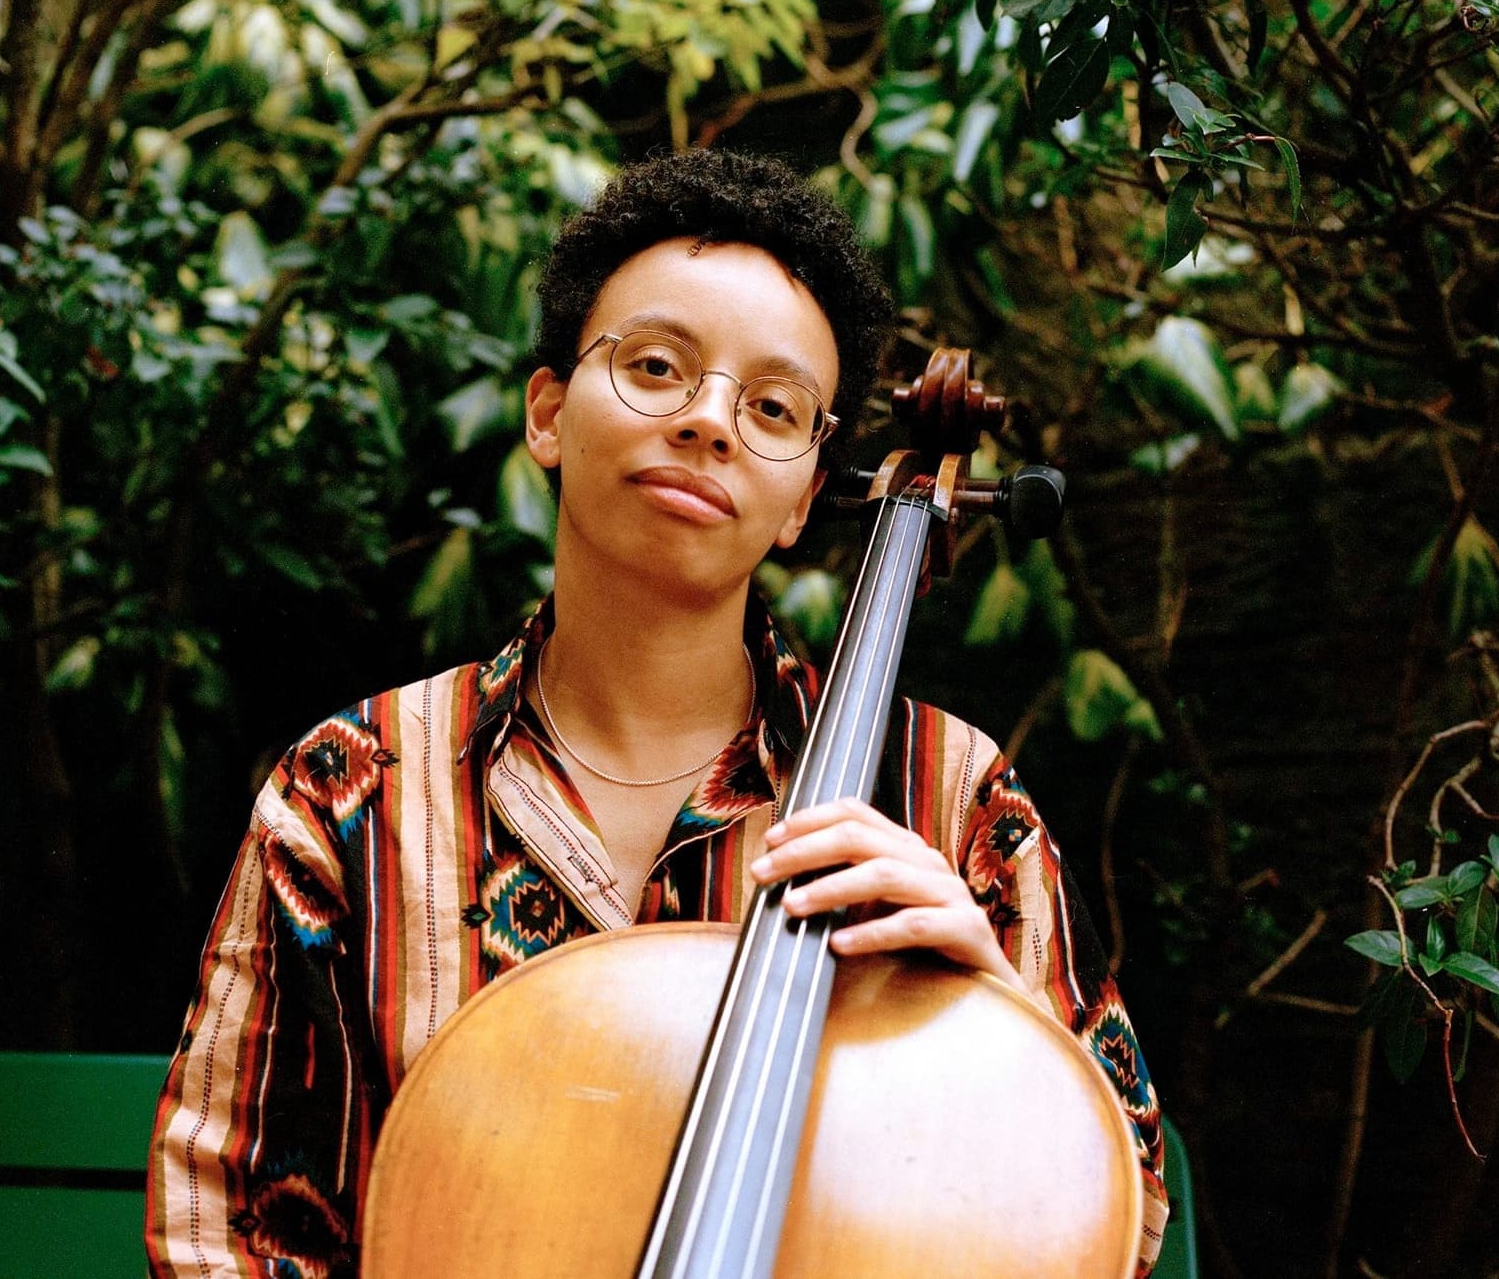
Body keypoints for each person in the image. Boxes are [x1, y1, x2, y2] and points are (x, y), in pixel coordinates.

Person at [146, 150, 1167, 1277]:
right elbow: (222, 1223)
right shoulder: (348, 791)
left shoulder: (945, 796)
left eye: (772, 406)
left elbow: (1124, 1214)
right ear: (547, 412)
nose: (709, 423)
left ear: (802, 497)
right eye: (656, 367)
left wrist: (995, 1010)